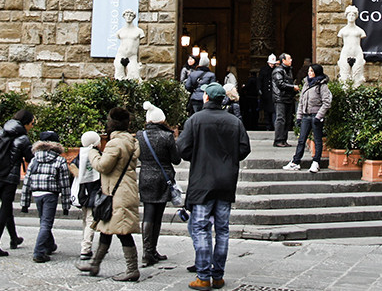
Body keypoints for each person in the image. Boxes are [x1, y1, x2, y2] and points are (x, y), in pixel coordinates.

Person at [178, 81, 252, 290]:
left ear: (206, 98)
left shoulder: (195, 120)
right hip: (226, 182)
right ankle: (218, 275)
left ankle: (203, 276)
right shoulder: (234, 121)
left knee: (201, 228)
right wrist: (228, 161)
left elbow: (182, 148)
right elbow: (244, 148)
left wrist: (198, 155)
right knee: (222, 230)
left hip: (203, 182)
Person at [78, 107, 141, 282]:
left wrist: (92, 153)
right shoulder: (131, 142)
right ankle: (95, 264)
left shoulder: (115, 143)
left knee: (122, 231)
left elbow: (103, 166)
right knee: (107, 229)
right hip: (123, 190)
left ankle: (132, 269)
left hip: (117, 193)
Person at [0, 109, 34, 258]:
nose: (32, 126)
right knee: (4, 211)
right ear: (25, 123)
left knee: (7, 207)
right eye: (31, 123)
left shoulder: (2, 131)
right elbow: (29, 157)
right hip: (8, 178)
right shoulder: (23, 138)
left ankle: (14, 238)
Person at [137, 101, 180, 267]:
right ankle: (151, 250)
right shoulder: (167, 136)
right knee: (158, 215)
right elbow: (176, 159)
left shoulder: (140, 135)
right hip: (163, 178)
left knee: (148, 213)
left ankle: (148, 251)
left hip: (146, 176)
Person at [19, 130, 73, 264]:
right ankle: (39, 252)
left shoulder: (34, 160)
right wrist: (66, 205)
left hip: (36, 193)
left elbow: (27, 181)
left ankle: (50, 245)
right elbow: (65, 184)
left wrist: (24, 203)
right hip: (50, 194)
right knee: (46, 223)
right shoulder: (59, 160)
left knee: (43, 221)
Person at [284, 63, 331, 173]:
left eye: (312, 71)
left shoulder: (322, 85)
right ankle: (296, 162)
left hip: (316, 116)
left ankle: (316, 162)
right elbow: (301, 102)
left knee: (317, 140)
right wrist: (299, 117)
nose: (309, 73)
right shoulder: (306, 84)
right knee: (301, 140)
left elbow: (326, 102)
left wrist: (319, 116)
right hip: (306, 115)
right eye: (309, 71)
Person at [72, 130, 103, 261]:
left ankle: (85, 244)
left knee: (86, 219)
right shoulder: (96, 155)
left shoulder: (81, 154)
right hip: (93, 192)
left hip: (82, 192)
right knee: (91, 220)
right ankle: (85, 248)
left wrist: (79, 176)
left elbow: (72, 166)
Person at [271, 53, 299, 147]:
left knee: (287, 120)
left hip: (288, 97)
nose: (291, 60)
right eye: (289, 58)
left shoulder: (288, 70)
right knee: (281, 119)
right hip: (280, 98)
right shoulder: (278, 70)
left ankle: (283, 139)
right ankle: (278, 139)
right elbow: (280, 84)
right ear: (283, 60)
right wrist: (293, 87)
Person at [113, 9, 143, 81]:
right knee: (119, 77)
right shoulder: (120, 31)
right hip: (121, 55)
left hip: (132, 57)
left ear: (133, 17)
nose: (128, 17)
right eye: (127, 15)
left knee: (134, 77)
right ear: (124, 16)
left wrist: (139, 60)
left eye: (131, 15)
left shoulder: (139, 31)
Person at [185, 51, 216, 117]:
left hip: (195, 98)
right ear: (208, 64)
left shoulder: (192, 74)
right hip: (206, 99)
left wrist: (194, 91)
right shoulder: (211, 75)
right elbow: (212, 88)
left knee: (195, 116)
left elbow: (187, 86)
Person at [258, 54, 276, 130]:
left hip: (273, 94)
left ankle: (273, 125)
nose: (272, 65)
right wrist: (259, 89)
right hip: (266, 94)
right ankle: (268, 125)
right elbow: (260, 80)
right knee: (267, 111)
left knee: (273, 110)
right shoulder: (264, 70)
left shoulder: (276, 70)